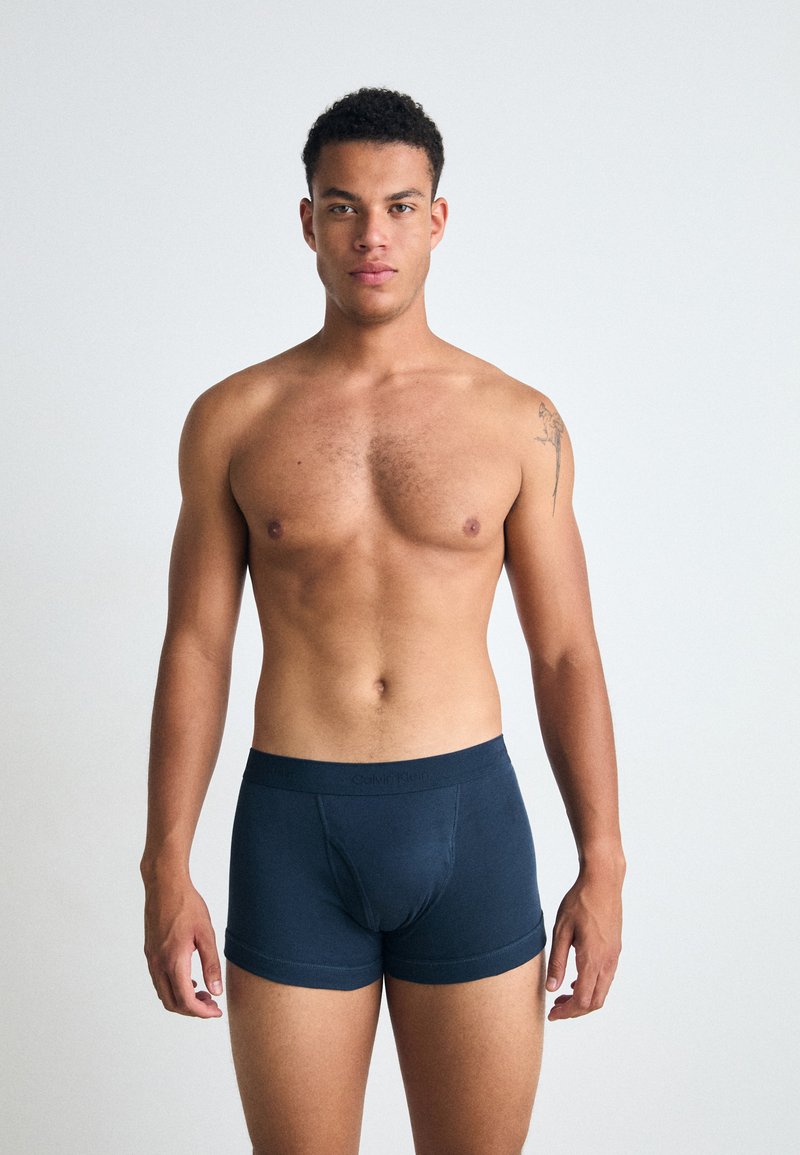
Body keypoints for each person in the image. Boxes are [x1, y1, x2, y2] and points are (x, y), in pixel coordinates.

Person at [140, 87, 626, 1155]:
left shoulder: (518, 421)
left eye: (400, 207)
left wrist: (604, 861)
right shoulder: (233, 419)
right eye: (345, 207)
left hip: (467, 822)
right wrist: (163, 863)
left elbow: (563, 652)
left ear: (436, 220)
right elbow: (197, 648)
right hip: (293, 829)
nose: (373, 235)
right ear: (307, 220)